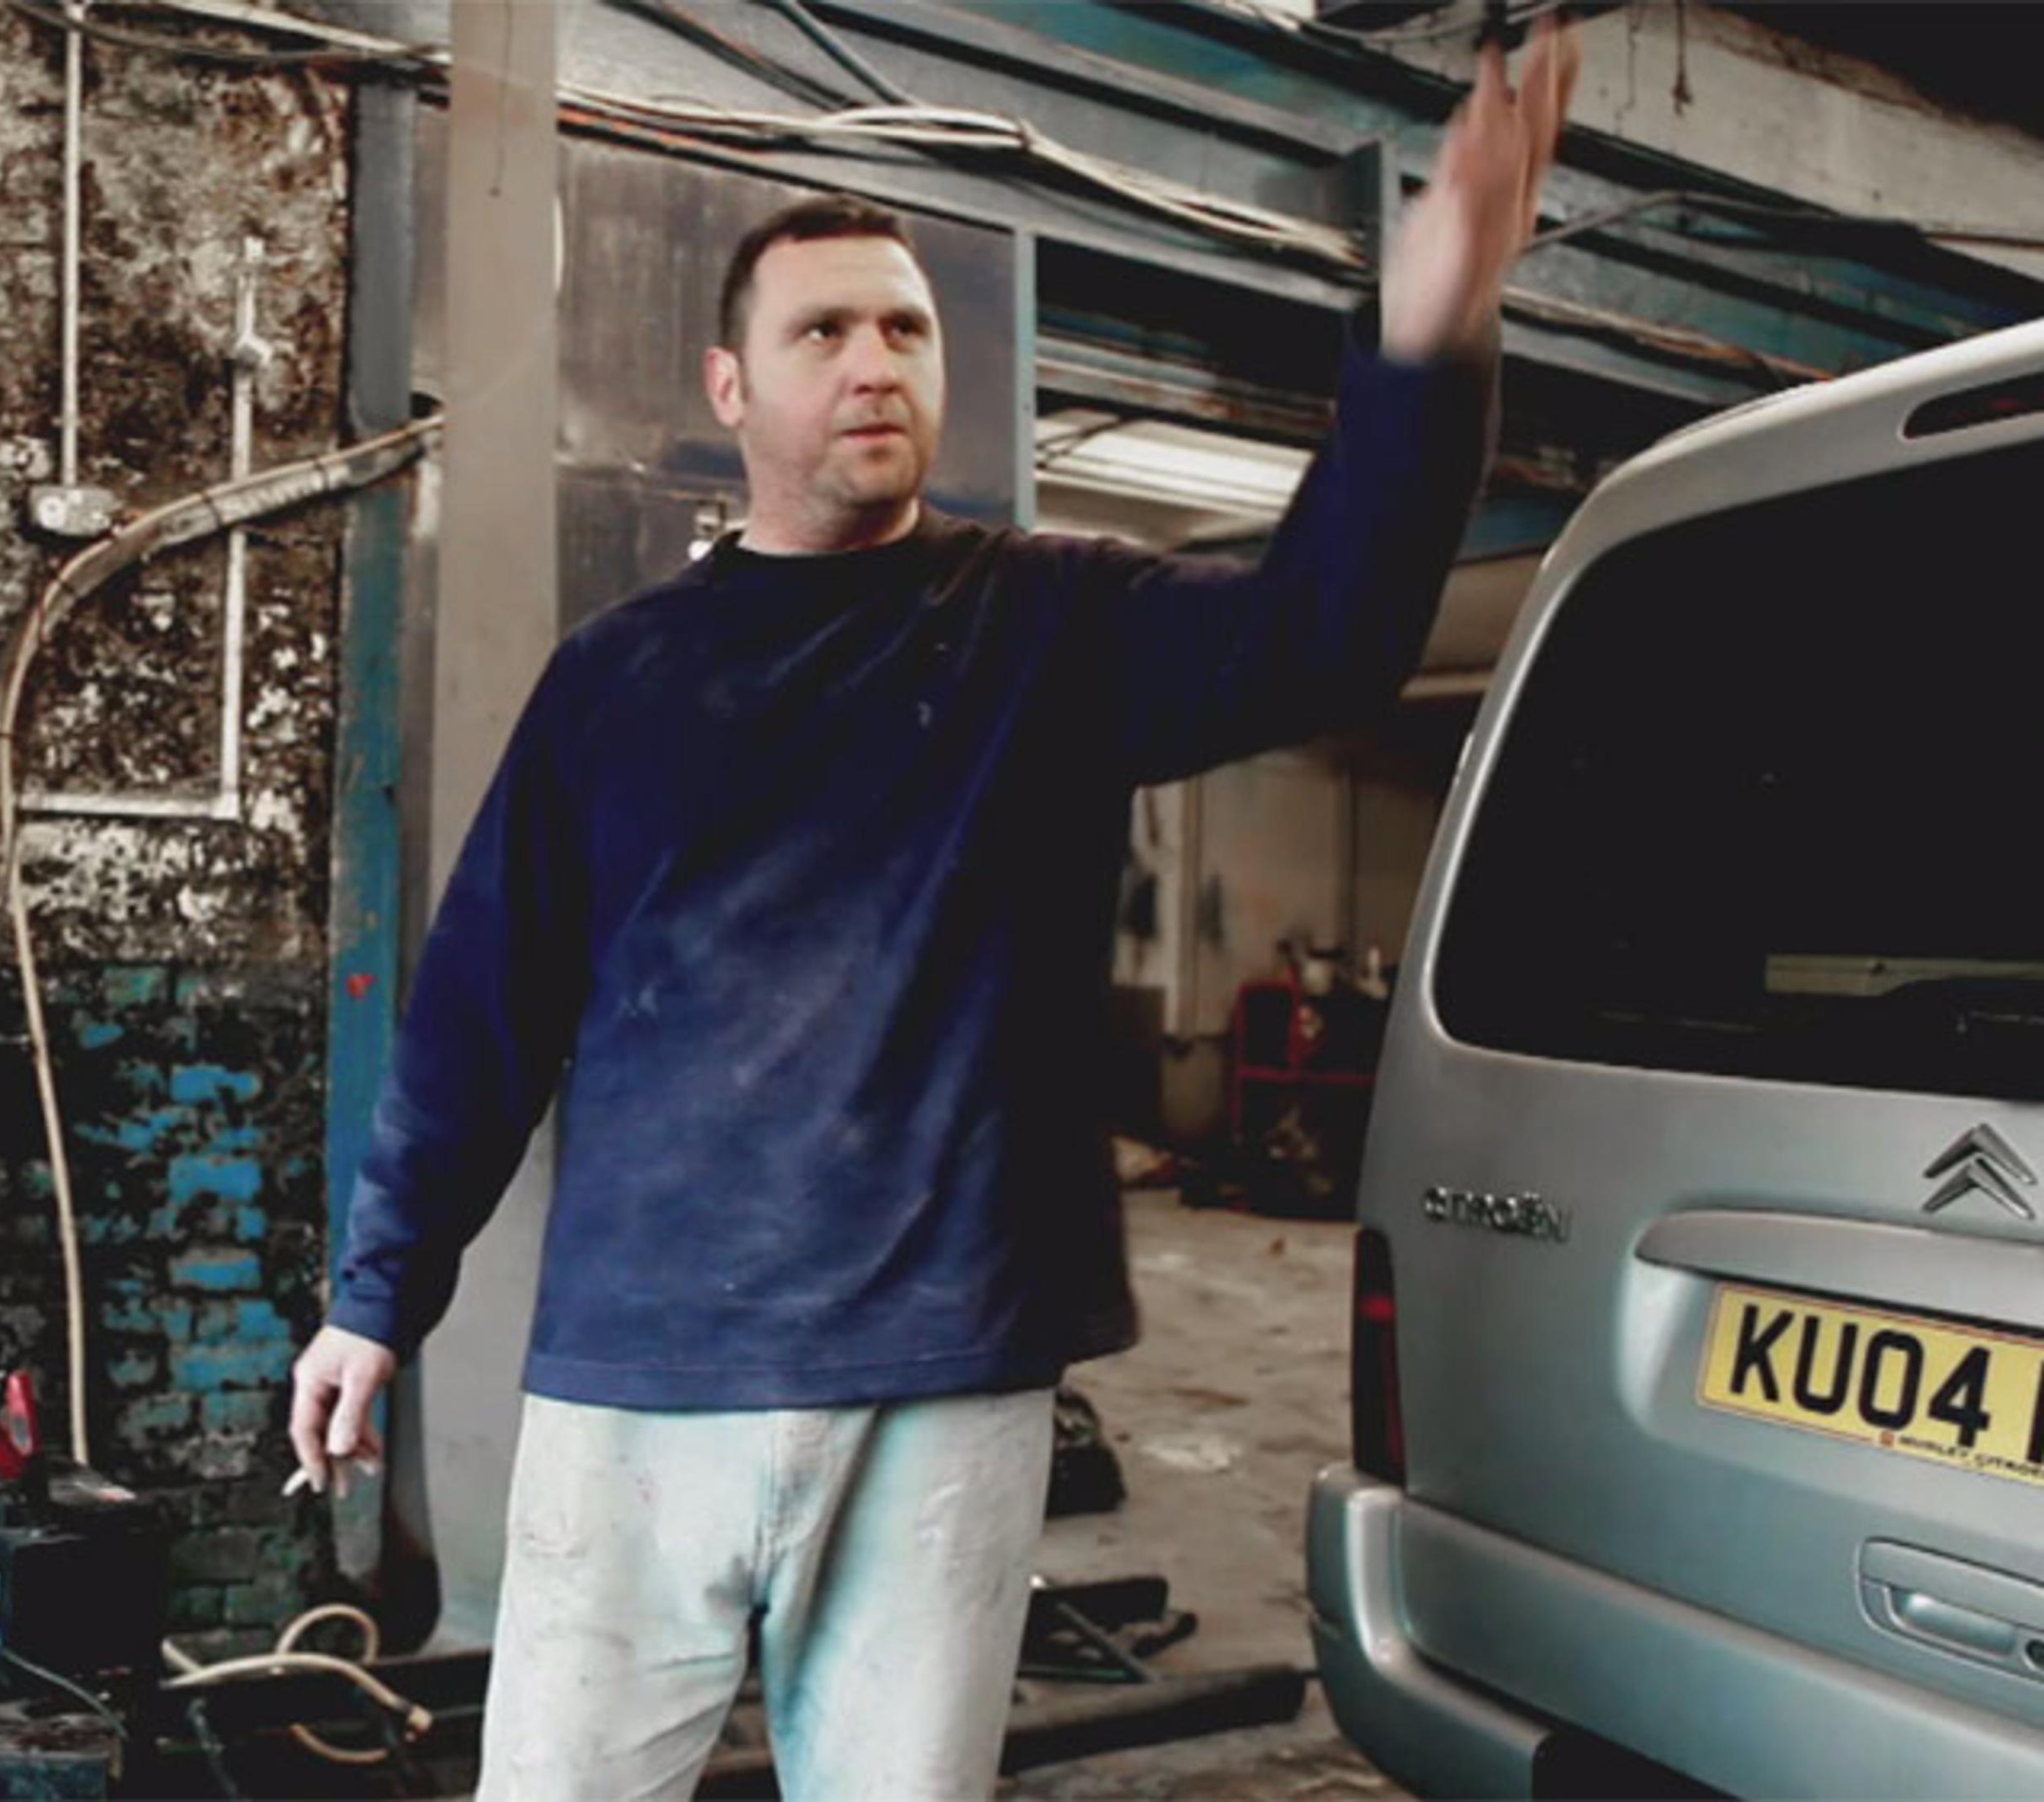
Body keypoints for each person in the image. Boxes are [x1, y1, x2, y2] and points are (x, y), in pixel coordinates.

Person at [292, 24, 1581, 1801]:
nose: (874, 360)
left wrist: (1433, 327)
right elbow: (478, 1011)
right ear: (731, 391)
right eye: (822, 330)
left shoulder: (1050, 625)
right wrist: (378, 1298)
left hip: (944, 1372)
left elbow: (1333, 631)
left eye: (906, 326)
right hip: (646, 1372)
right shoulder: (620, 683)